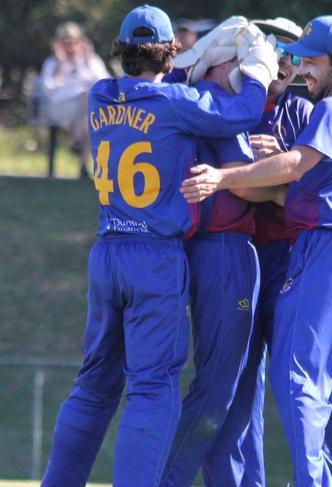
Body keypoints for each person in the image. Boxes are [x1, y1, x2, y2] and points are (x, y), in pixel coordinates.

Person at [40, 6, 273, 486]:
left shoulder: (99, 95)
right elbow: (245, 111)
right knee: (151, 388)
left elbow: (148, 81)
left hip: (107, 253)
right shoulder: (176, 103)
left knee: (93, 386)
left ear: (120, 52)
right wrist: (258, 70)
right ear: (170, 54)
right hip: (155, 258)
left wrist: (176, 59)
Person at [180, 14, 332, 487]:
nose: (300, 67)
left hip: (322, 246)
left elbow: (295, 166)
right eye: (295, 56)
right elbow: (305, 182)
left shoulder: (330, 110)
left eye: (312, 60)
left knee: (299, 382)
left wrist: (226, 177)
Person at [159, 19, 283, 487]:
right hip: (226, 251)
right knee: (218, 385)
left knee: (231, 387)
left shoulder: (188, 103)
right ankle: (165, 479)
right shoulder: (221, 107)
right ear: (227, 62)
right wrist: (289, 178)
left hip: (193, 251)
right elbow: (248, 187)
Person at [204, 17, 313, 487]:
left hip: (291, 260)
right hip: (239, 257)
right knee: (237, 386)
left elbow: (320, 192)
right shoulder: (231, 105)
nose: (285, 64)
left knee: (301, 384)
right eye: (277, 51)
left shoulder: (305, 114)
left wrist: (280, 161)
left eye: (296, 55)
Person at [40, 21, 109, 177]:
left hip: (84, 110)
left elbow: (103, 83)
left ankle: (77, 144)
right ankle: (80, 154)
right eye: (66, 44)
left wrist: (89, 58)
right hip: (60, 109)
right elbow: (49, 91)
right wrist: (61, 64)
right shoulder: (52, 63)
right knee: (87, 108)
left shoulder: (92, 61)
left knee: (87, 102)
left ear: (81, 43)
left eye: (74, 43)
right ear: (58, 45)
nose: (71, 47)